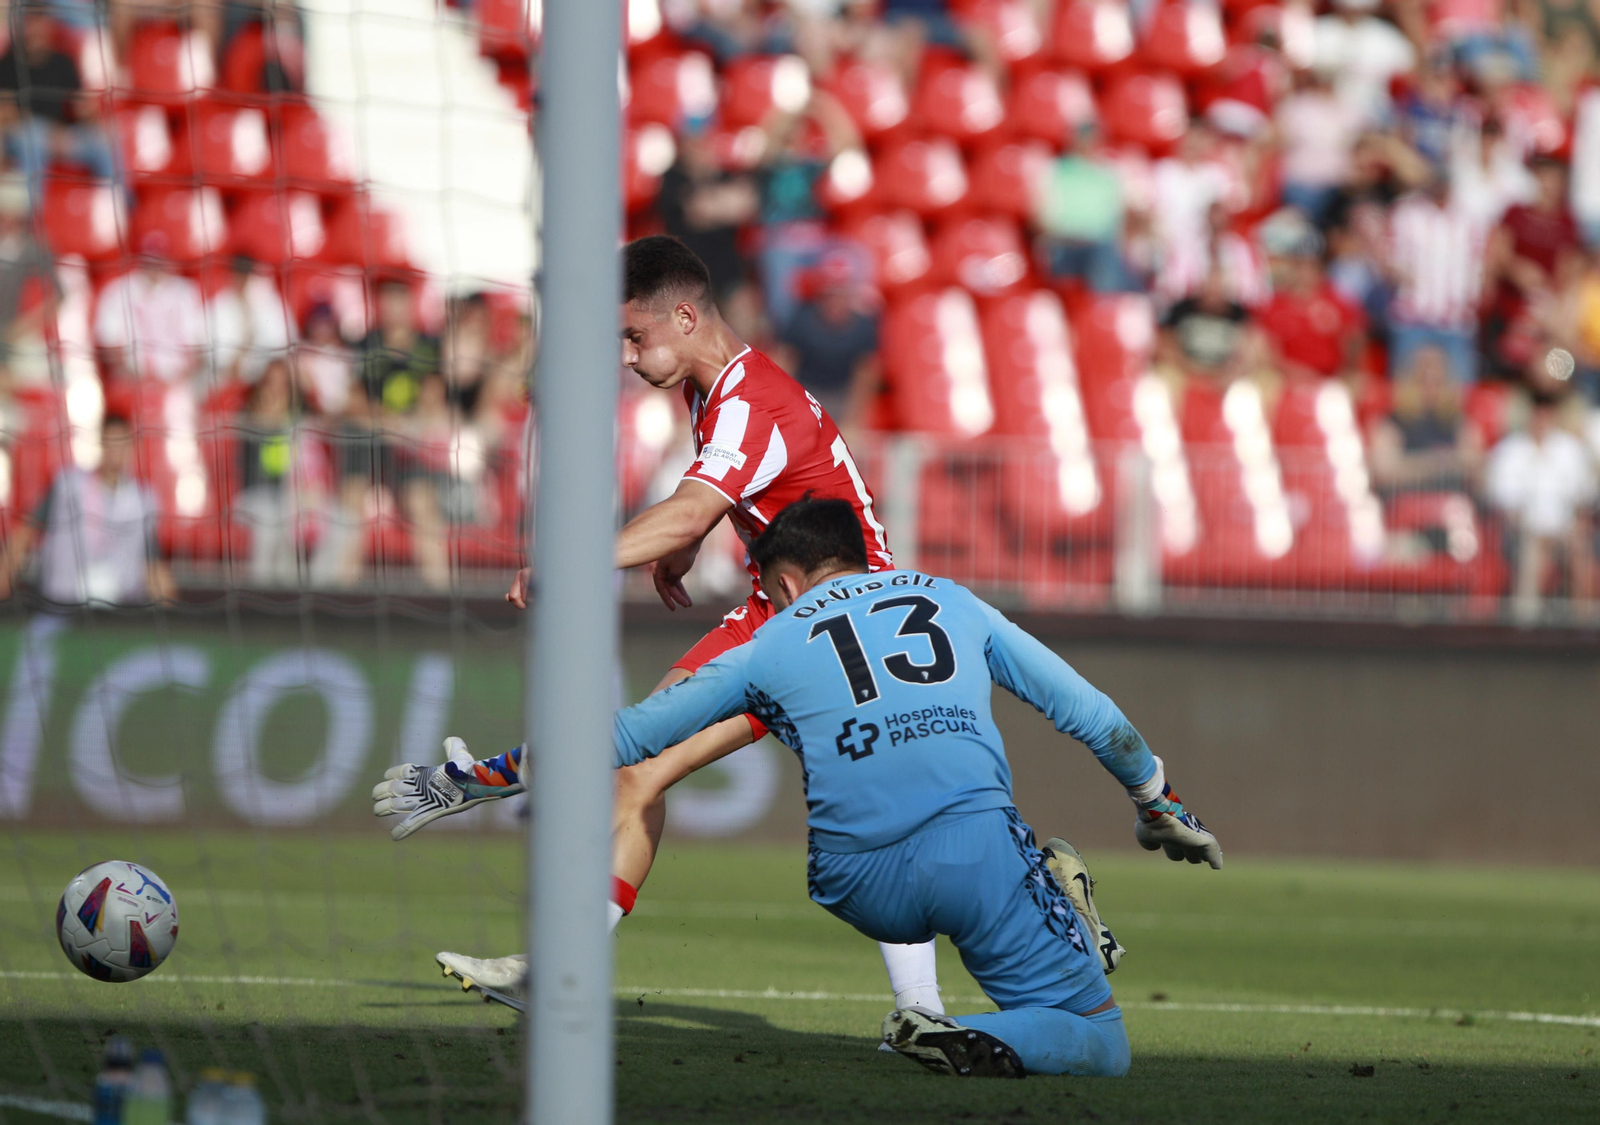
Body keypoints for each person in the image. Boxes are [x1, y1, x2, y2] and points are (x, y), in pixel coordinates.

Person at [375, 498, 1223, 1077]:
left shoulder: (769, 645)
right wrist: (1160, 805)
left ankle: (972, 984)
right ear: (855, 557)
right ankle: (986, 988)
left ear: (781, 584)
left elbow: (626, 738)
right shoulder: (954, 601)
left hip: (856, 882)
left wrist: (471, 780)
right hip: (978, 861)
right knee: (1097, 1039)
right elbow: (1090, 712)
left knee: (938, 866)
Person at [380, 234, 952, 1014]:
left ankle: (484, 799)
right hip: (780, 606)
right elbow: (734, 501)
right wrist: (682, 550)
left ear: (684, 317)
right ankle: (548, 948)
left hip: (845, 619)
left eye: (633, 335)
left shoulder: (753, 402)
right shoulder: (714, 388)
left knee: (872, 815)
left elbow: (692, 503)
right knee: (640, 768)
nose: (623, 354)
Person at [0, 413, 174, 605]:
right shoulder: (68, 485)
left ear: (132, 447)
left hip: (119, 613)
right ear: (101, 444)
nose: (116, 451)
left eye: (122, 443)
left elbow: (154, 564)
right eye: (111, 443)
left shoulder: (143, 501)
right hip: (61, 604)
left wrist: (171, 612)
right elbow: (26, 531)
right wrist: (5, 576)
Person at [0, 4, 121, 208]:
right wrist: (47, 132)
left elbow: (80, 107)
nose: (35, 28)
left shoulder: (63, 62)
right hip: (26, 135)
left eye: (40, 21)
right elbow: (5, 114)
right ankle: (34, 217)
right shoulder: (7, 64)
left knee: (106, 143)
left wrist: (87, 113)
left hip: (65, 137)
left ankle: (118, 210)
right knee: (32, 138)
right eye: (30, 21)